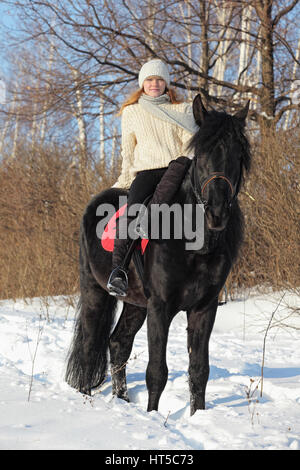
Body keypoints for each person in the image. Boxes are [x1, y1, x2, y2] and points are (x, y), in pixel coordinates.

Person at [107, 59, 198, 297]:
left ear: (166, 83)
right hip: (146, 172)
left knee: (202, 210)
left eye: (159, 79)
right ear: (142, 84)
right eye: (149, 80)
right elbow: (128, 150)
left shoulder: (182, 109)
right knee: (131, 210)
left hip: (177, 169)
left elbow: (190, 145)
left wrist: (186, 164)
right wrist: (124, 179)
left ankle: (208, 276)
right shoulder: (132, 112)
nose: (154, 84)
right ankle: (118, 271)